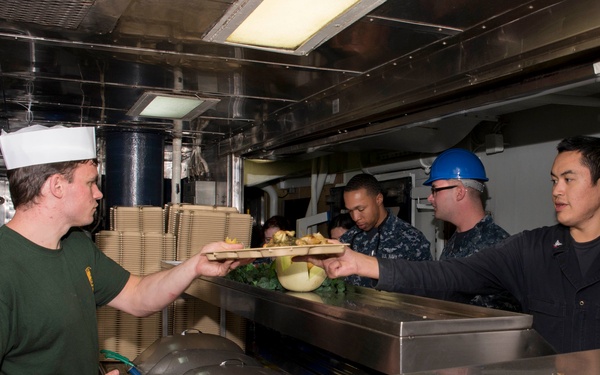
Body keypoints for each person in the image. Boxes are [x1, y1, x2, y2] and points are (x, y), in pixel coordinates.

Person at [303, 135, 600, 354]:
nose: (557, 190)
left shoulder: (497, 240)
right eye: (553, 180)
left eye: (568, 179)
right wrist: (358, 262)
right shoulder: (531, 249)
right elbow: (447, 276)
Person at [0, 125, 245, 375]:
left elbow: (138, 295)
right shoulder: (5, 265)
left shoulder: (76, 244)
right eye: (90, 182)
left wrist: (196, 264)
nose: (98, 193)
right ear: (57, 186)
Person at [424, 148, 520, 311]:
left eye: (435, 189)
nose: (430, 198)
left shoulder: (495, 247)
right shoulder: (456, 240)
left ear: (459, 192)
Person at [338, 173, 431, 287]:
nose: (355, 217)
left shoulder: (411, 240)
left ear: (378, 199)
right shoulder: (348, 239)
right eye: (350, 211)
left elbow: (426, 287)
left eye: (360, 209)